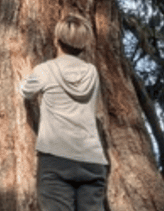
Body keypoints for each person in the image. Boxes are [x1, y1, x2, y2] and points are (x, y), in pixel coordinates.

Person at [18, 14, 108, 211]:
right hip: (92, 160)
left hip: (56, 158)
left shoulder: (45, 70)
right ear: (84, 46)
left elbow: (26, 91)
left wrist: (27, 75)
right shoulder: (92, 73)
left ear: (56, 41)